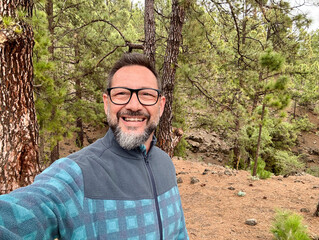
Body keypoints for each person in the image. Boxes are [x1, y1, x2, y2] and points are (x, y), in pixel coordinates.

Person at [0, 53, 189, 239]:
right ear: (107, 103)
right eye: (122, 93)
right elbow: (21, 213)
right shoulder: (75, 174)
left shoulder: (165, 163)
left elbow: (179, 232)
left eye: (147, 94)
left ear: (161, 105)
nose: (133, 105)